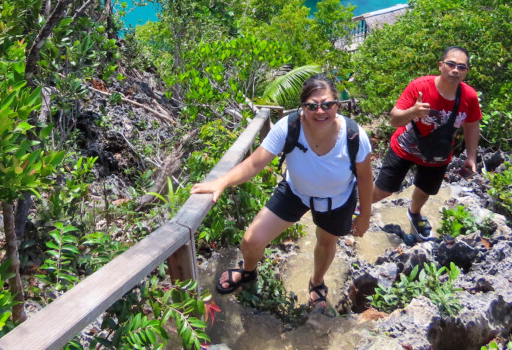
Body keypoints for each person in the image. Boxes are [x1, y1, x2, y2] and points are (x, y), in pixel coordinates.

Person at [190, 74, 373, 308]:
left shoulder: (354, 135)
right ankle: (248, 271)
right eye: (312, 106)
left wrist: (364, 215)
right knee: (251, 241)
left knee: (326, 243)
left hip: (337, 199)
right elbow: (255, 163)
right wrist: (222, 182)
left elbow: (366, 178)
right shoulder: (289, 127)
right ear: (302, 107)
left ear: (337, 104)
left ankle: (316, 282)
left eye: (327, 104)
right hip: (295, 192)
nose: (320, 111)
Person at [372, 46, 482, 240]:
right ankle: (359, 205)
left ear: (466, 72)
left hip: (438, 153)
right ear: (441, 66)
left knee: (425, 190)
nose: (455, 70)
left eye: (461, 67)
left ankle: (414, 213)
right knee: (384, 189)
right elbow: (395, 119)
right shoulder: (420, 86)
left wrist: (471, 156)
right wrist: (412, 112)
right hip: (405, 147)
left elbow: (472, 125)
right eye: (450, 64)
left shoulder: (469, 96)